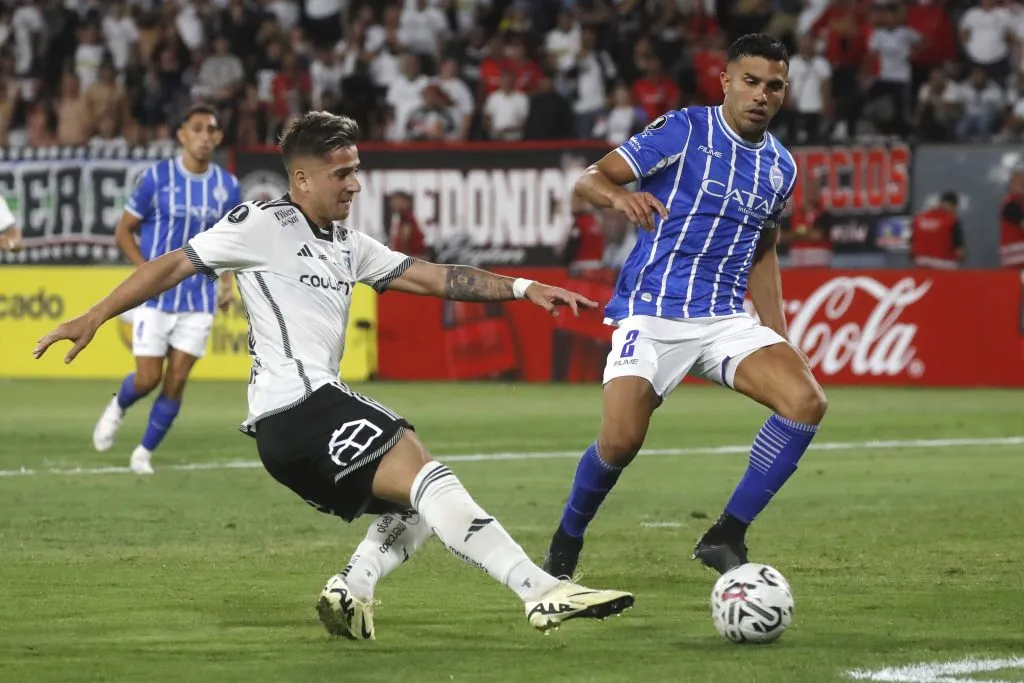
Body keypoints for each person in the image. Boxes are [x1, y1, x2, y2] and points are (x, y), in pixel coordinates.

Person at [34, 111, 634, 640]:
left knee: (417, 504)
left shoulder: (348, 244)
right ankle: (540, 589)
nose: (355, 182)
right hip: (300, 405)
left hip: (289, 435)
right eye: (341, 172)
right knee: (424, 468)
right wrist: (94, 315)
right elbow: (174, 264)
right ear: (301, 179)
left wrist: (525, 288)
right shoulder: (262, 223)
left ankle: (353, 586)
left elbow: (434, 277)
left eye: (355, 168)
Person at [541, 34, 828, 580]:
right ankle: (566, 539)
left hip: (723, 319)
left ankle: (725, 535)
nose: (761, 95)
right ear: (725, 81)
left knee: (805, 402)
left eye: (775, 86)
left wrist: (779, 334)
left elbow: (765, 249)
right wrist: (619, 196)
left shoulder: (781, 168)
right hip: (652, 311)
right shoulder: (685, 129)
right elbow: (589, 179)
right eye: (750, 82)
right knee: (621, 441)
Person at [93, 104, 241, 475]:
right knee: (148, 378)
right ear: (182, 135)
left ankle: (143, 452)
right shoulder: (156, 178)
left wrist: (226, 283)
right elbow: (124, 229)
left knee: (176, 379)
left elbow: (231, 241)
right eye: (197, 129)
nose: (205, 136)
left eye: (212, 130)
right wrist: (146, 274)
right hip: (155, 299)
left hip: (199, 298)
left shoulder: (227, 186)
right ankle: (118, 406)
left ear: (219, 137)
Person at [910, 191, 964, 269]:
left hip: (921, 266)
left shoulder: (918, 219)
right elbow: (960, 252)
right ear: (952, 205)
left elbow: (912, 245)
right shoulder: (951, 221)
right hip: (945, 267)